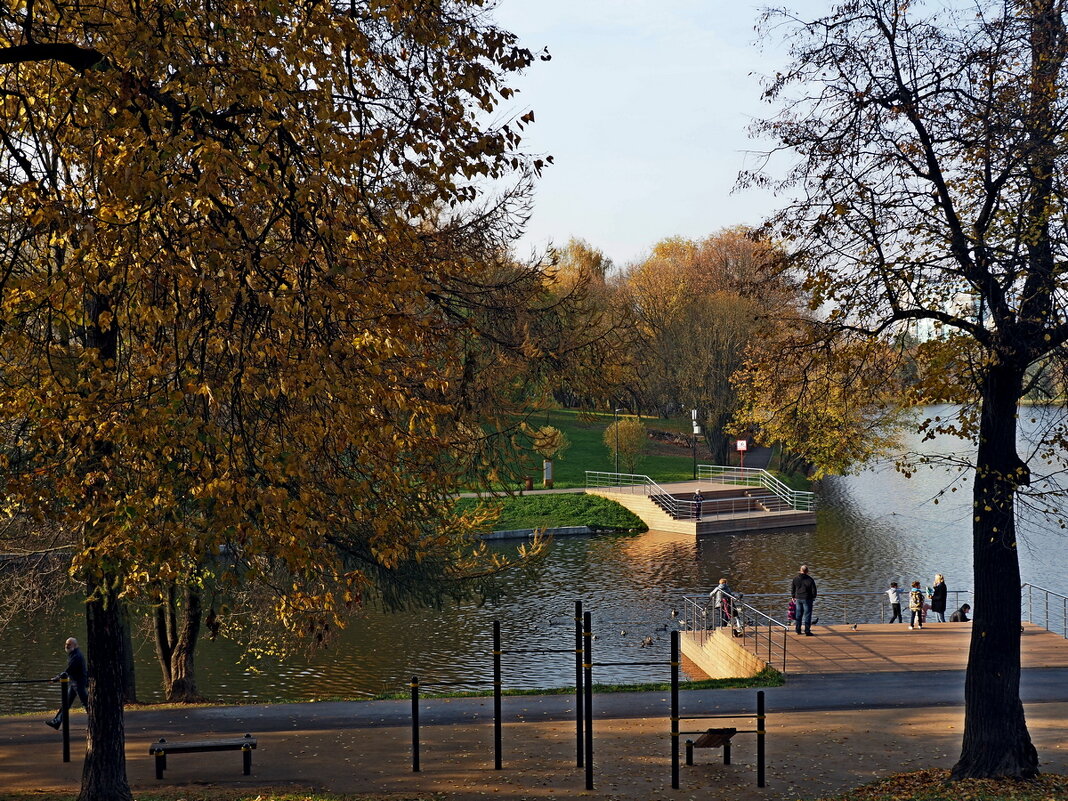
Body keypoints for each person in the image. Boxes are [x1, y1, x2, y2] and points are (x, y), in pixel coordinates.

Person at [46, 637, 88, 730]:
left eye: (69, 644)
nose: (67, 646)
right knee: (66, 703)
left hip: (79, 683)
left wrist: (56, 678)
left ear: (75, 645)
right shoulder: (73, 654)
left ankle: (96, 723)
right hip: (74, 683)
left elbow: (68, 671)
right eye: (66, 644)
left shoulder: (77, 656)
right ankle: (56, 722)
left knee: (86, 703)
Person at [790, 564, 817, 636]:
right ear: (807, 571)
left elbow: (793, 588)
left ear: (800, 570)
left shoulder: (795, 578)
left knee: (798, 615)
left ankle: (798, 630)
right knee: (807, 615)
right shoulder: (810, 579)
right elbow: (814, 590)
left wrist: (793, 596)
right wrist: (813, 597)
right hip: (807, 599)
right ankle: (807, 631)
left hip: (798, 598)